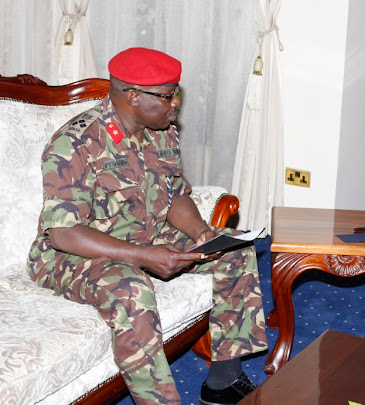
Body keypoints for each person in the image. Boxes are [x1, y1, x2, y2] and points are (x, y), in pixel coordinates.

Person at [27, 47, 267, 405]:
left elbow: (174, 195)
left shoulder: (161, 131)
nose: (176, 106)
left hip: (142, 232)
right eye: (168, 96)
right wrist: (143, 257)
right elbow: (64, 232)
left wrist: (201, 232)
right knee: (131, 290)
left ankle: (223, 382)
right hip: (71, 253)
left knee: (231, 248)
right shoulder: (75, 143)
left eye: (176, 95)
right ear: (133, 96)